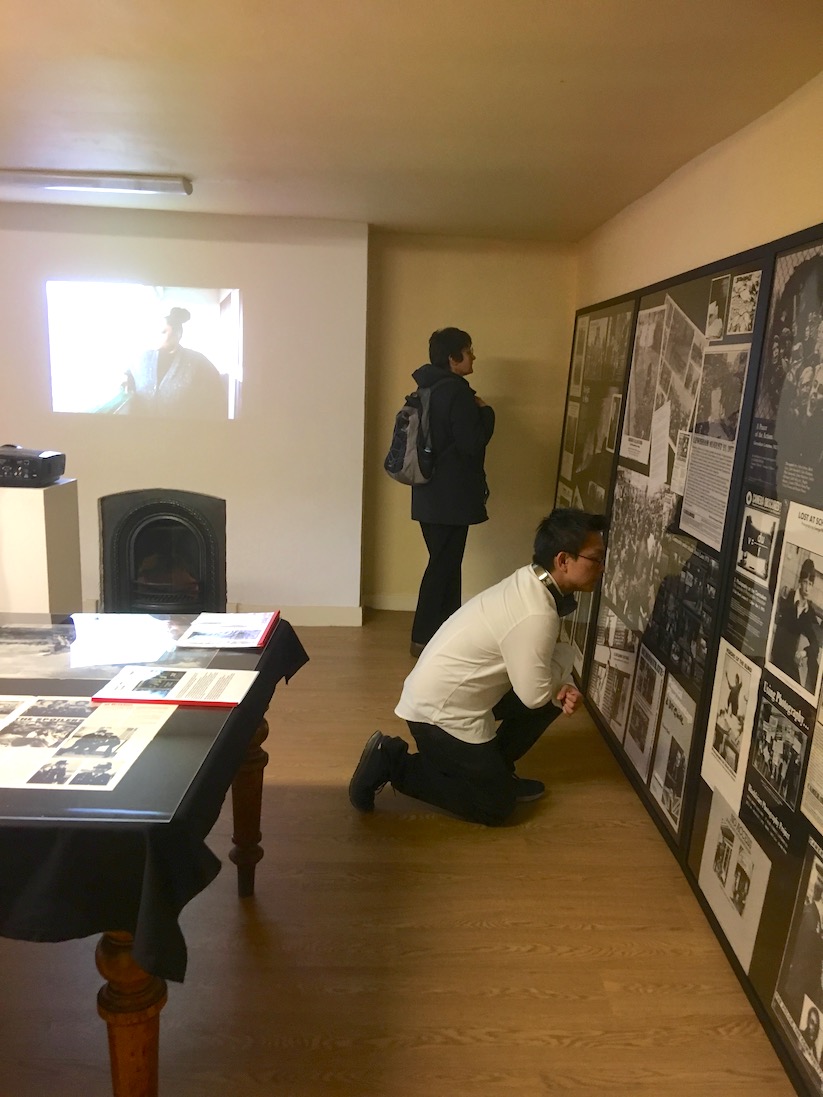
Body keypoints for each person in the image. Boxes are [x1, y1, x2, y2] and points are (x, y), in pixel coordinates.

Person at [349, 508, 607, 826]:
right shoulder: (536, 612)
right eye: (595, 559)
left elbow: (538, 680)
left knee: (549, 699)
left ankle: (494, 772)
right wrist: (560, 679)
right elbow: (534, 696)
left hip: (453, 694)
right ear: (563, 560)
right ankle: (393, 763)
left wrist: (559, 685)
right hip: (437, 715)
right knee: (496, 807)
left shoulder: (529, 581)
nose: (602, 567)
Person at [408, 327, 495, 656]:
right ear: (452, 358)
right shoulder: (457, 393)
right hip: (450, 498)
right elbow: (471, 445)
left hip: (428, 493)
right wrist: (487, 413)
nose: (473, 356)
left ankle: (443, 632)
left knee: (444, 562)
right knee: (444, 564)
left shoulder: (426, 388)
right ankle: (423, 637)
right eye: (469, 350)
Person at [114, 306, 226, 418]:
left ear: (178, 334)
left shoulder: (197, 362)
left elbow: (215, 397)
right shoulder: (143, 357)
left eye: (163, 332)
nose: (157, 335)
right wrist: (126, 380)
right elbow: (129, 374)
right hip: (144, 427)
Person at [770, 558, 820, 689]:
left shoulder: (809, 612)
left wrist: (804, 653)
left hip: (789, 661)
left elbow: (816, 643)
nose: (808, 588)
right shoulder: (788, 597)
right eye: (805, 582)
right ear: (800, 582)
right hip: (775, 655)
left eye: (810, 584)